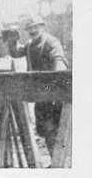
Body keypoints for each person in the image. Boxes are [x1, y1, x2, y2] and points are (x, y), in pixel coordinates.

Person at [13, 16, 68, 160]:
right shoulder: (30, 44)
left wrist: (56, 89)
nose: (32, 30)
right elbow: (17, 52)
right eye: (30, 28)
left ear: (42, 27)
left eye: (35, 27)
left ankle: (60, 162)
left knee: (56, 130)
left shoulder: (51, 42)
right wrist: (11, 38)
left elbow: (59, 63)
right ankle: (54, 160)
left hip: (53, 94)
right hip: (39, 95)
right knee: (44, 130)